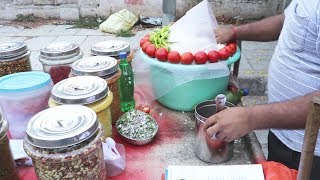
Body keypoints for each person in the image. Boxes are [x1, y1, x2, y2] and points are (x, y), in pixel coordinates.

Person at [204, 0, 320, 179]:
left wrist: (251, 118)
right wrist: (235, 32)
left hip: (312, 154)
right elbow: (288, 21)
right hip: (283, 135)